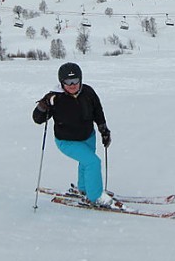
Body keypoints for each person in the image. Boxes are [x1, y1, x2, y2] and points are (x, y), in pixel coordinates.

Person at [32, 62, 115, 207]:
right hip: (66, 141)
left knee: (86, 162)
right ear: (61, 82)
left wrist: (104, 130)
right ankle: (96, 197)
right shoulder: (55, 98)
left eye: (75, 81)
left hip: (88, 136)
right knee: (93, 162)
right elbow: (37, 119)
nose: (72, 85)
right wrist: (43, 106)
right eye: (68, 82)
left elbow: (98, 111)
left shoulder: (88, 92)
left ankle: (84, 189)